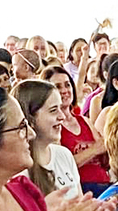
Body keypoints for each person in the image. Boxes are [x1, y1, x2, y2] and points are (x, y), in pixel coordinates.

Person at [45, 66, 110, 195]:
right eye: (57, 87)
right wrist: (94, 150)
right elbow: (62, 165)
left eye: (67, 85)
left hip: (105, 184)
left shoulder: (84, 121)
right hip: (80, 190)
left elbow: (104, 152)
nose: (64, 90)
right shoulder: (53, 125)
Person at [14, 80, 80, 198]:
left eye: (60, 108)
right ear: (30, 118)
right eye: (53, 110)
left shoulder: (64, 154)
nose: (62, 116)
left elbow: (81, 204)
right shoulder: (18, 171)